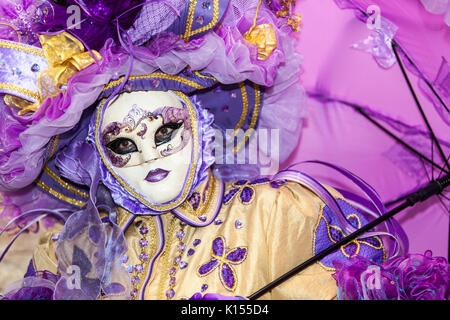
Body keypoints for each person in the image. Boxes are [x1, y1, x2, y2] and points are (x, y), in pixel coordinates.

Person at [0, 0, 447, 300]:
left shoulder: (283, 216)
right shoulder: (73, 252)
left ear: (202, 126)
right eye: (121, 144)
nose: (149, 156)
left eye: (165, 132)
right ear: (96, 158)